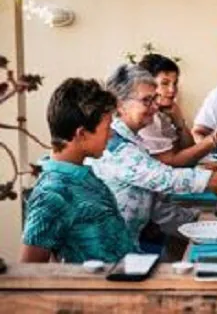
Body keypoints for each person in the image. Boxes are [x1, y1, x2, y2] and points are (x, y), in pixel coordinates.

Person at [87, 64, 217, 245]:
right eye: (146, 100)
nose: (154, 107)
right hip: (110, 253)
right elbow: (168, 179)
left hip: (129, 244)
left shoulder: (131, 139)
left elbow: (157, 205)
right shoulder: (116, 146)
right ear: (120, 105)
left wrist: (203, 222)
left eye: (154, 99)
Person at [21, 78, 136, 263]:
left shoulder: (82, 175)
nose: (112, 134)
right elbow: (29, 270)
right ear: (81, 134)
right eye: (107, 128)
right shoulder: (52, 193)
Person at [138, 53, 217, 167]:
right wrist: (214, 139)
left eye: (175, 83)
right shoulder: (146, 117)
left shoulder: (162, 112)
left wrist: (179, 121)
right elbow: (173, 162)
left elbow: (188, 149)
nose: (172, 90)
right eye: (165, 83)